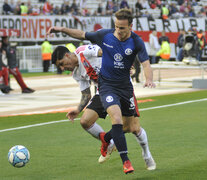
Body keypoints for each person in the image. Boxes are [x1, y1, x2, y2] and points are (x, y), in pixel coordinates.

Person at [47, 8, 156, 174]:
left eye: (122, 28)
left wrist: (140, 73)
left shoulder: (87, 51)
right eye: (116, 27)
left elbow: (106, 51)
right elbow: (86, 94)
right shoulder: (77, 72)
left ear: (130, 26)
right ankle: (121, 156)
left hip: (124, 86)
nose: (118, 31)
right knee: (94, 121)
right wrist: (77, 109)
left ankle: (143, 152)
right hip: (105, 88)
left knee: (132, 128)